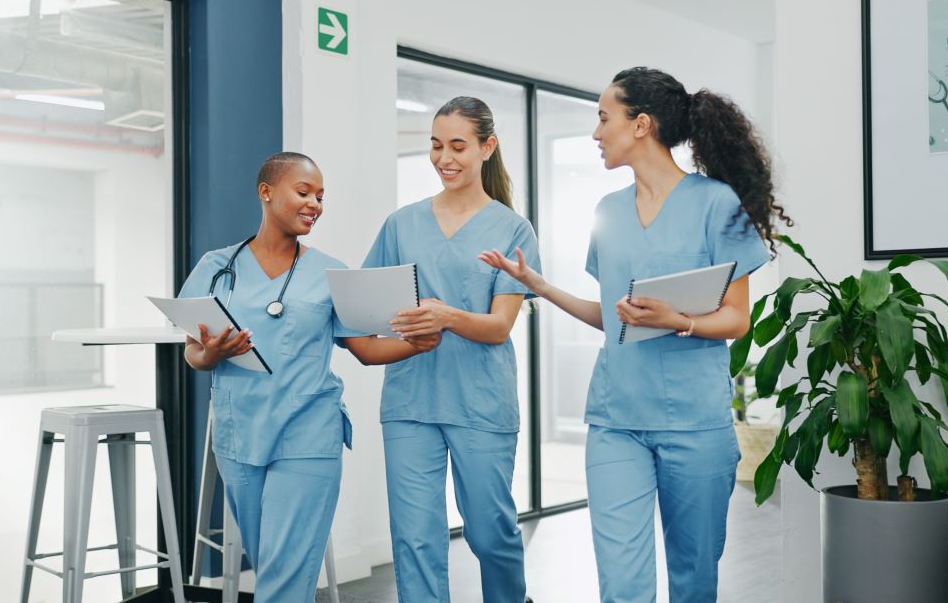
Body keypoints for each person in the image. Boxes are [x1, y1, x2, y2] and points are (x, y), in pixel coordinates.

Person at [481, 68, 792, 603]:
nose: (596, 132)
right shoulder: (607, 212)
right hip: (616, 421)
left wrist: (679, 320)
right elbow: (612, 315)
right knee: (622, 582)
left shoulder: (716, 204)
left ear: (642, 124)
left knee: (694, 578)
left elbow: (737, 318)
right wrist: (537, 285)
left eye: (605, 118)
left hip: (695, 424)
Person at [179, 152, 440, 602]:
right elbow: (193, 353)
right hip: (239, 432)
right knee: (271, 564)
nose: (315, 204)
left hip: (308, 433)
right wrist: (211, 353)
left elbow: (364, 348)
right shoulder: (215, 266)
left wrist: (415, 344)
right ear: (266, 192)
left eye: (320, 197)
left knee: (285, 574)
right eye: (303, 192)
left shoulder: (329, 272)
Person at [364, 97, 540, 603]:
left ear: (488, 147)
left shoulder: (511, 228)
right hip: (410, 402)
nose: (445, 157)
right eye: (436, 146)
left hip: (479, 401)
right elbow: (370, 308)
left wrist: (446, 315)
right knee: (415, 538)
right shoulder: (401, 224)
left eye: (458, 146)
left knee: (490, 532)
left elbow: (500, 326)